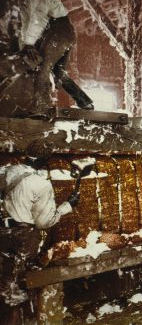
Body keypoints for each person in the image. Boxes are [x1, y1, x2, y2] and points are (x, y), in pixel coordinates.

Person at [0, 139, 80, 325]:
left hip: (2, 234)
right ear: (44, 161)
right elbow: (45, 221)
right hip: (23, 238)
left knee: (4, 283)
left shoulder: (7, 172)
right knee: (20, 287)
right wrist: (67, 206)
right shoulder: (40, 184)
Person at [16, 0, 94, 117]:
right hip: (53, 32)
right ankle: (85, 101)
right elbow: (25, 23)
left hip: (60, 30)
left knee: (43, 67)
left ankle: (41, 110)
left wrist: (29, 43)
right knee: (57, 70)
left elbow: (38, 19)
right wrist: (24, 46)